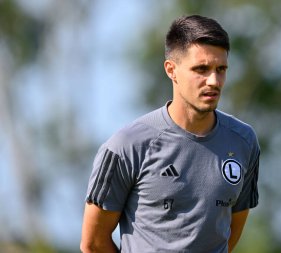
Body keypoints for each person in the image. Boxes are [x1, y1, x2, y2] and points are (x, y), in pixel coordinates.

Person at [80, 14, 260, 253]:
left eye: (221, 69)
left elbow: (229, 234)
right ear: (171, 70)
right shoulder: (128, 146)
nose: (214, 81)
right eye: (201, 69)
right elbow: (93, 243)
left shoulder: (244, 142)